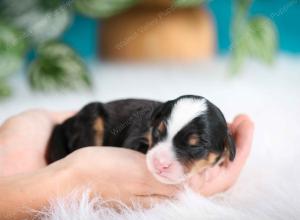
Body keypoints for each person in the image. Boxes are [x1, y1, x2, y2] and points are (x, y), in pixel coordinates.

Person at [0, 109, 254, 220]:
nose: (163, 159)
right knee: (93, 120)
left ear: (225, 150)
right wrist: (73, 175)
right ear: (155, 123)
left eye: (194, 147)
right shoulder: (144, 128)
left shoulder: (221, 144)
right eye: (159, 134)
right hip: (84, 125)